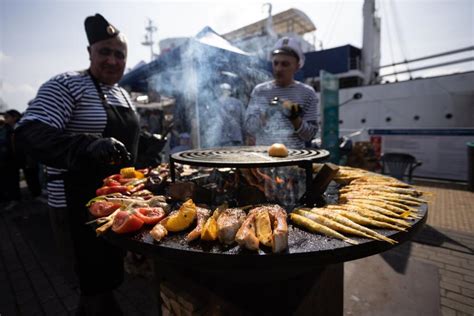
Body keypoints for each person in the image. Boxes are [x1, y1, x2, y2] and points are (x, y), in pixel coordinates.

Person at [15, 13, 140, 315]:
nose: (112, 60)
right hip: (77, 204)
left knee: (109, 279)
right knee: (93, 286)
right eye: (105, 52)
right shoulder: (66, 85)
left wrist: (148, 140)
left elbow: (123, 136)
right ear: (89, 52)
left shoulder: (122, 93)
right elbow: (28, 132)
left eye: (119, 54)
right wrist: (87, 145)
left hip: (120, 201)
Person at [245, 37, 319, 148]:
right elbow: (249, 128)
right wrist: (267, 114)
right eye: (276, 63)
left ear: (297, 66)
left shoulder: (307, 93)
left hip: (294, 160)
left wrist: (294, 118)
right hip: (264, 159)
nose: (278, 69)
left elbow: (310, 135)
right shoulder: (259, 91)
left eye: (285, 64)